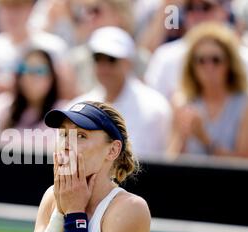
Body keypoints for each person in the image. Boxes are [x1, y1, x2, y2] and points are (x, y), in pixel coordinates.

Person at [11, 101, 151, 232]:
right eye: (64, 135)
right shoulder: (53, 198)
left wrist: (75, 212)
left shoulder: (129, 208)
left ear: (112, 150)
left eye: (81, 136)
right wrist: (60, 214)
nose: (67, 143)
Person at [73, 26, 172, 158]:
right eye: (98, 59)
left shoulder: (154, 108)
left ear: (128, 62)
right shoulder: (78, 107)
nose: (104, 67)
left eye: (111, 59)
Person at [0, 0, 74, 120]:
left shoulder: (54, 46)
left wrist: (23, 90)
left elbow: (68, 98)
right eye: (6, 8)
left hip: (43, 128)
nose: (11, 15)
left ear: (30, 10)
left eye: (17, 8)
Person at [169, 22, 248, 158]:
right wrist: (183, 137)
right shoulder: (181, 102)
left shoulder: (244, 104)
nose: (208, 66)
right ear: (191, 66)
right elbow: (171, 160)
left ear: (229, 64)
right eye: (201, 60)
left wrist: (204, 139)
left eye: (216, 60)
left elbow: (242, 163)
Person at [144, 0, 248, 100]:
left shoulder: (243, 57)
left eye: (205, 7)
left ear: (223, 12)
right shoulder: (165, 57)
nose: (197, 14)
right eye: (190, 8)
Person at [0, 49, 65, 132]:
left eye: (39, 71)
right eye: (25, 70)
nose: (31, 77)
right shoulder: (2, 106)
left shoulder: (63, 111)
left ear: (52, 77)